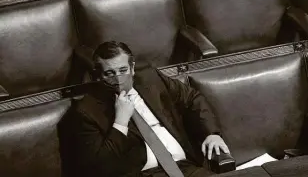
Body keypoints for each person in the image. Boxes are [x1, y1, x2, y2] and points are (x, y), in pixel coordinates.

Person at [69, 41, 231, 177]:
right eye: (109, 73)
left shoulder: (151, 79)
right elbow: (102, 167)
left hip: (185, 168)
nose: (118, 79)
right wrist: (121, 122)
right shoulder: (86, 111)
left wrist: (211, 134)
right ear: (99, 75)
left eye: (123, 70)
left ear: (132, 68)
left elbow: (191, 99)